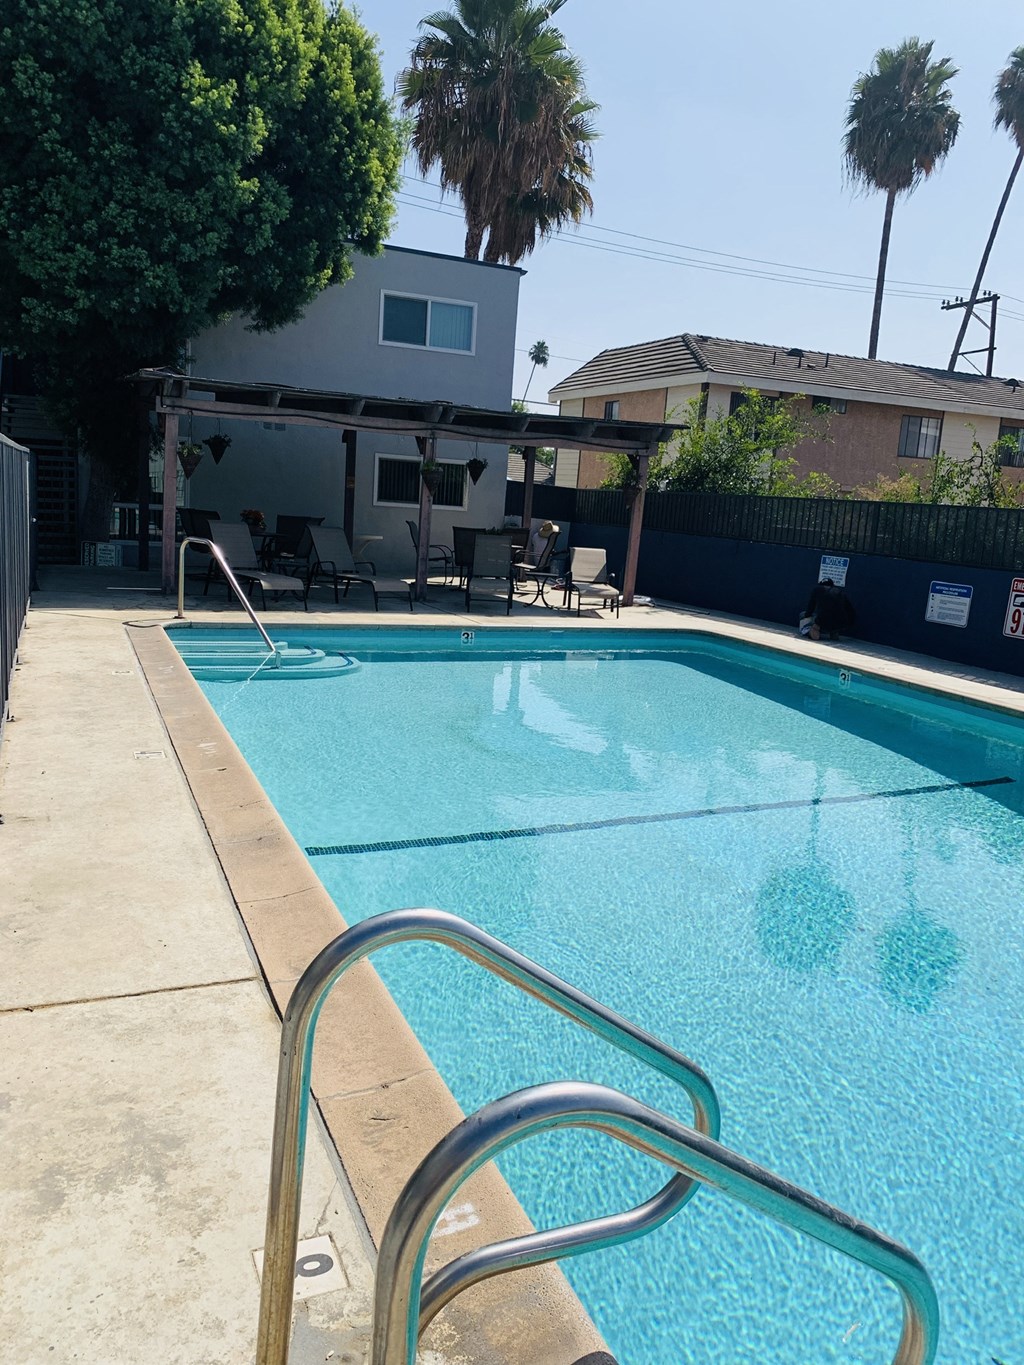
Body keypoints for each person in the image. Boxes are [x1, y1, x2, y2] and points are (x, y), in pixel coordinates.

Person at [801, 577, 855, 641]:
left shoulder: (817, 590)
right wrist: (849, 623)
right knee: (834, 620)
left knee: (804, 615)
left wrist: (807, 615)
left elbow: (811, 607)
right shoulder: (839, 592)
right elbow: (849, 609)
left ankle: (812, 633)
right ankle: (834, 633)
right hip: (840, 621)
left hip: (823, 619)